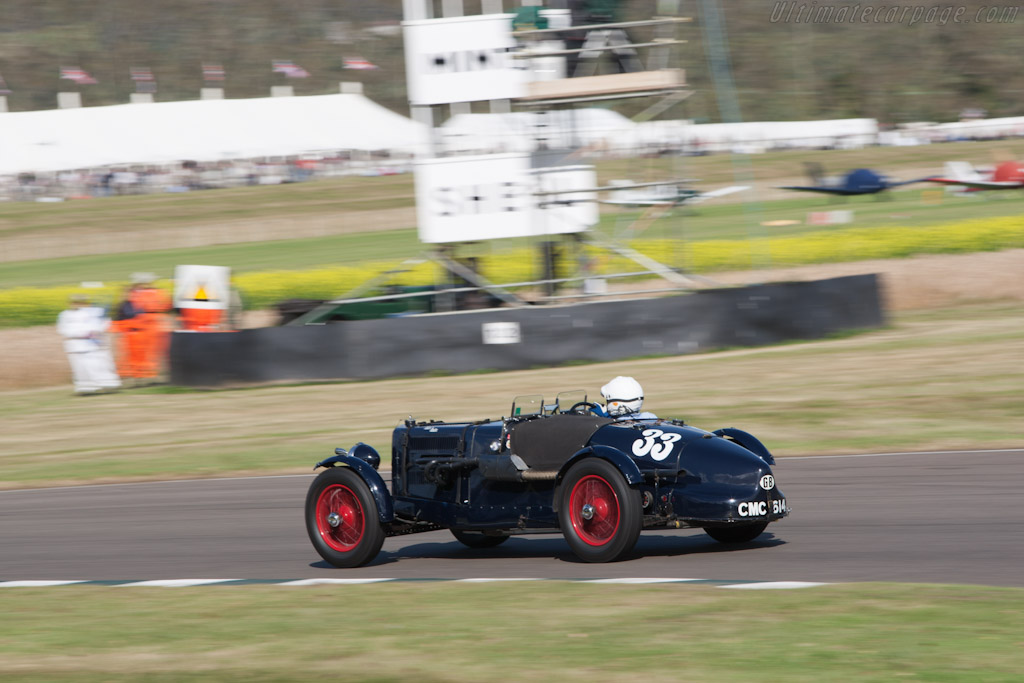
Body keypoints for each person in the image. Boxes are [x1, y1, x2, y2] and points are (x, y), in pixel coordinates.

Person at [56, 294, 121, 395]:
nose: (77, 305)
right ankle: (85, 388)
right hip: (74, 344)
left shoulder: (92, 313)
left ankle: (103, 385)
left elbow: (102, 324)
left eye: (81, 302)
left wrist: (94, 332)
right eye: (75, 302)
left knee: (94, 366)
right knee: (79, 367)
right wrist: (79, 333)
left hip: (89, 344)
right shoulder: (65, 314)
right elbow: (62, 329)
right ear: (70, 303)